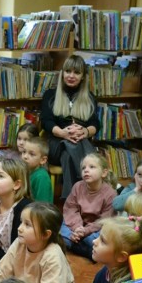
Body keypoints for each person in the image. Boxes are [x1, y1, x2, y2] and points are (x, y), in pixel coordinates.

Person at [40, 54, 99, 199]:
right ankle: (89, 183)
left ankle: (70, 200)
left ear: (83, 76)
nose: (71, 76)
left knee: (69, 153)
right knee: (70, 144)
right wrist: (63, 133)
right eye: (68, 71)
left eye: (77, 72)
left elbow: (95, 124)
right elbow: (46, 122)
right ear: (62, 73)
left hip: (78, 142)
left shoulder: (89, 97)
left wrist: (84, 131)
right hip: (55, 143)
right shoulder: (50, 95)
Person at [61, 152, 117, 259]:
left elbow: (104, 220)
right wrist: (77, 228)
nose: (86, 170)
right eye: (83, 168)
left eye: (92, 167)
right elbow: (71, 209)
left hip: (95, 228)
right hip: (77, 225)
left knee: (98, 238)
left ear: (104, 173)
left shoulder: (110, 193)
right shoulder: (77, 186)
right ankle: (83, 247)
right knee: (63, 227)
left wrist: (85, 231)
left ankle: (77, 244)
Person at [22, 136, 53, 203]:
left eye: (31, 154)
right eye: (24, 152)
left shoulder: (42, 177)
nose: (25, 157)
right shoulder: (24, 171)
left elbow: (42, 207)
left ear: (43, 160)